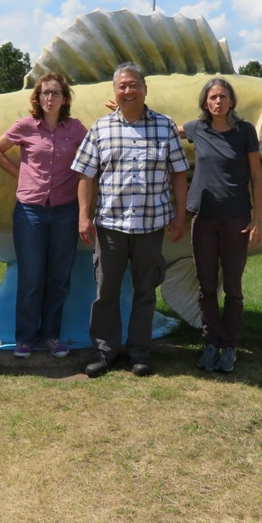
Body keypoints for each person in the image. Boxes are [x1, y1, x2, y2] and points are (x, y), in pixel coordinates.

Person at [72, 62, 189, 378]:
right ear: (115, 91)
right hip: (110, 226)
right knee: (106, 292)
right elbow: (85, 175)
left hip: (152, 226)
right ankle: (105, 352)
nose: (128, 90)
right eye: (122, 86)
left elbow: (179, 173)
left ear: (145, 89)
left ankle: (140, 352)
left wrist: (180, 215)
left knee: (145, 291)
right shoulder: (101, 128)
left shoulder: (165, 126)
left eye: (133, 84)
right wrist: (83, 216)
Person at [0, 72, 87, 359]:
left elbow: (96, 151)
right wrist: (20, 173)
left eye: (55, 93)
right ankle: (25, 338)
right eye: (45, 92)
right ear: (37, 96)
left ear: (64, 98)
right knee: (31, 277)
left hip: (65, 211)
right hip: (30, 211)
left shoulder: (76, 128)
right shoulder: (26, 126)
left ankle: (51, 335)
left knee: (58, 278)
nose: (49, 98)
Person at [182, 77, 262, 374]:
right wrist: (131, 109)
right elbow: (163, 129)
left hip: (236, 219)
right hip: (203, 218)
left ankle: (230, 346)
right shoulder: (197, 129)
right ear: (206, 102)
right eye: (213, 97)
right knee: (205, 286)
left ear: (231, 101)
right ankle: (210, 344)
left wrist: (258, 217)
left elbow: (257, 176)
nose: (218, 101)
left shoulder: (245, 132)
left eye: (223, 96)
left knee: (232, 286)